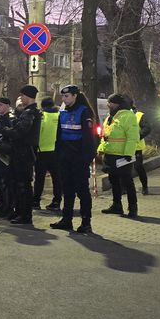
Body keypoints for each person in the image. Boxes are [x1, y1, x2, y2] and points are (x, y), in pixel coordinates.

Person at [50, 85, 97, 234]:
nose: (64, 99)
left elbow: (89, 138)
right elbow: (59, 136)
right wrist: (57, 156)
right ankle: (66, 219)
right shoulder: (63, 112)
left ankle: (86, 222)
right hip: (65, 158)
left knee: (82, 191)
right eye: (63, 97)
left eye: (67, 96)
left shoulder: (84, 112)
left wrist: (86, 158)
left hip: (79, 158)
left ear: (75, 96)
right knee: (67, 190)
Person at [5, 85, 43, 225]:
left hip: (23, 153)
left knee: (22, 185)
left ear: (28, 96)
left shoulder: (29, 113)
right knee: (20, 184)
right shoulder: (31, 112)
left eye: (22, 96)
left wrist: (6, 131)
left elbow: (19, 132)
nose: (21, 98)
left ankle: (24, 214)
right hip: (25, 152)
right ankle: (21, 212)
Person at [98, 94, 140, 218]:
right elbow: (105, 136)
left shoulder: (128, 116)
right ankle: (117, 205)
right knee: (114, 181)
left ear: (117, 104)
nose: (108, 105)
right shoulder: (110, 117)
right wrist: (101, 150)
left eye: (110, 102)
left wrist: (128, 153)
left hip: (122, 156)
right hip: (110, 155)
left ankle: (132, 207)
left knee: (127, 182)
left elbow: (133, 137)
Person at [34, 97, 61, 212]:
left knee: (39, 178)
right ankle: (56, 201)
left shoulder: (42, 116)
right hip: (56, 151)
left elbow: (38, 133)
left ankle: (36, 201)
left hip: (42, 151)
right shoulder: (59, 115)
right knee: (57, 178)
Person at [132, 103, 153, 195]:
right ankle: (124, 188)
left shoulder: (139, 115)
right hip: (123, 147)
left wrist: (138, 136)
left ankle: (144, 186)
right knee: (124, 169)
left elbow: (147, 128)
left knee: (138, 167)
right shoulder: (119, 115)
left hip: (136, 147)